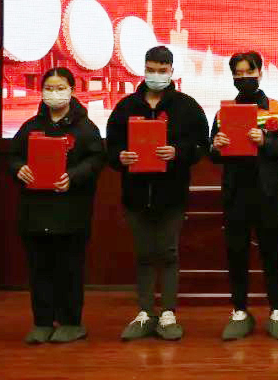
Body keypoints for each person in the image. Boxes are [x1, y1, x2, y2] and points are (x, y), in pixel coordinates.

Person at [106, 45, 209, 341]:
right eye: (151, 70)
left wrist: (178, 152)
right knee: (143, 254)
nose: (156, 75)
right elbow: (110, 148)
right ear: (144, 69)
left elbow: (202, 145)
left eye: (162, 71)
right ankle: (145, 313)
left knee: (168, 253)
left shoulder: (187, 106)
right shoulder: (126, 106)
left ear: (172, 71)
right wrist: (120, 157)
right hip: (135, 195)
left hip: (171, 195)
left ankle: (168, 314)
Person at [9, 67, 106, 344]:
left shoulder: (85, 128)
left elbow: (96, 160)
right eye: (49, 88)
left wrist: (73, 176)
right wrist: (19, 169)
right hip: (35, 212)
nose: (54, 93)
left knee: (69, 269)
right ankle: (42, 322)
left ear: (71, 90)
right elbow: (13, 157)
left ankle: (71, 322)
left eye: (60, 88)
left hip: (71, 212)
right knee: (39, 268)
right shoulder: (31, 126)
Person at [209, 51, 278, 341]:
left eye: (249, 72)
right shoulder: (223, 112)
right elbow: (212, 152)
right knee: (236, 252)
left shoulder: (277, 109)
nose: (244, 77)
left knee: (272, 252)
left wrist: (266, 140)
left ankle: (277, 310)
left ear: (260, 72)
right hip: (235, 193)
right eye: (238, 73)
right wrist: (217, 145)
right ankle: (239, 311)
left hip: (267, 193)